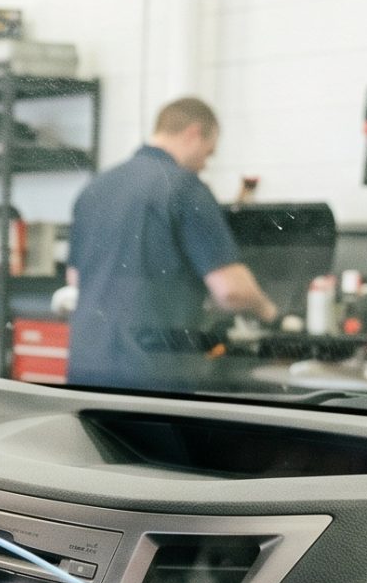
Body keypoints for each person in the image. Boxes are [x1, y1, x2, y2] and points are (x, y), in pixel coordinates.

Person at [62, 97, 281, 390]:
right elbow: (230, 291)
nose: (206, 163)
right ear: (193, 133)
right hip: (152, 374)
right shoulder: (185, 187)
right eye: (209, 152)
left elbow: (75, 279)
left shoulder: (94, 188)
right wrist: (271, 314)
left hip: (86, 365)